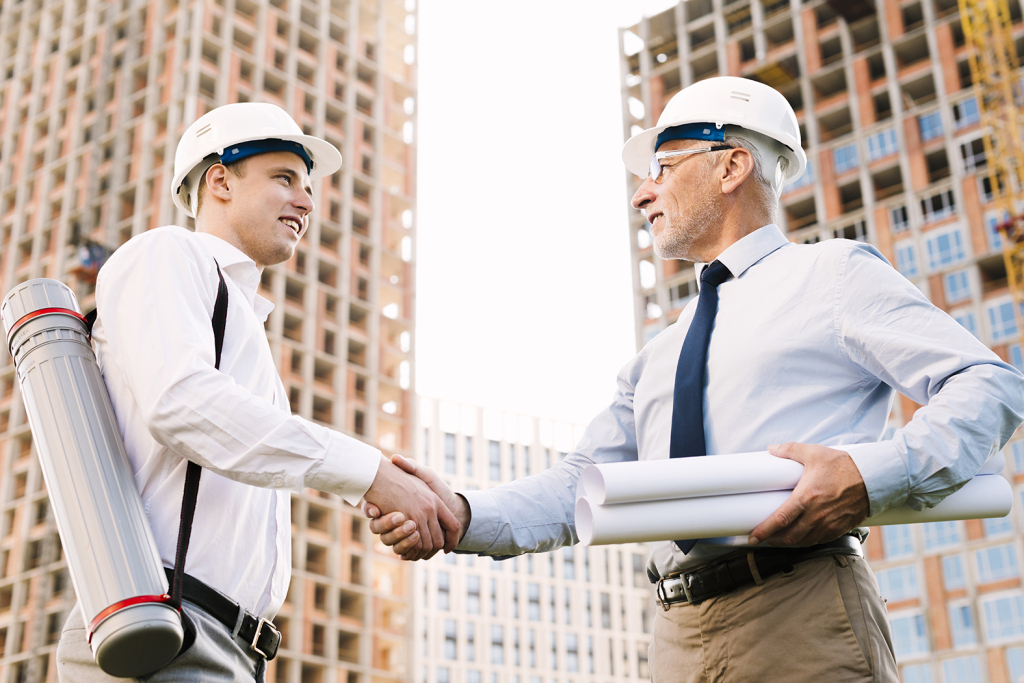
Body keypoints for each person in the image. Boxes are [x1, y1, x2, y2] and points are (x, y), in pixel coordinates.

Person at [365, 77, 1024, 682]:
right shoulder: (661, 352)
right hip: (675, 634)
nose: (642, 191)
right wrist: (463, 511)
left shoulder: (834, 277)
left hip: (801, 611)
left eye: (663, 166)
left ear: (732, 164)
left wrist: (869, 474)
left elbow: (988, 385)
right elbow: (579, 487)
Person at [55, 102, 459, 682]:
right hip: (160, 628)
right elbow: (183, 404)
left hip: (226, 649)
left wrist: (372, 494)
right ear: (219, 179)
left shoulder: (239, 320)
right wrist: (371, 475)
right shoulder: (166, 253)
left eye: (309, 186)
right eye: (284, 178)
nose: (307, 202)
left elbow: (244, 449)